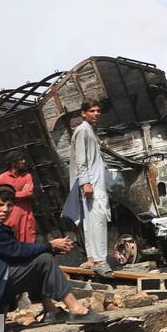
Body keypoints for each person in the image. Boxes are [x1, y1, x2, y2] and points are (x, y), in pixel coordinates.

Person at [0, 184, 104, 323]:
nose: (5, 210)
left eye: (9, 205)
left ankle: (51, 311)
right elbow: (16, 251)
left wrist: (50, 248)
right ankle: (77, 309)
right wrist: (50, 245)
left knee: (37, 260)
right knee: (45, 260)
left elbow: (14, 253)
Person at [68, 99, 113, 276]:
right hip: (91, 183)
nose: (96, 113)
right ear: (83, 113)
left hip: (95, 181)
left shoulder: (89, 131)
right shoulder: (83, 131)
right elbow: (80, 159)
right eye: (92, 111)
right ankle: (101, 261)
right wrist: (85, 182)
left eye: (98, 111)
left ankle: (92, 259)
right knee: (98, 219)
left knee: (90, 220)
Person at [0, 151, 37, 243]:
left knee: (29, 241)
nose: (24, 161)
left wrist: (11, 193)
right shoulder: (0, 179)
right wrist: (21, 193)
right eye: (21, 159)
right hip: (10, 216)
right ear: (13, 162)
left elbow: (29, 192)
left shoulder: (27, 176)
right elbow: (2, 196)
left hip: (26, 214)